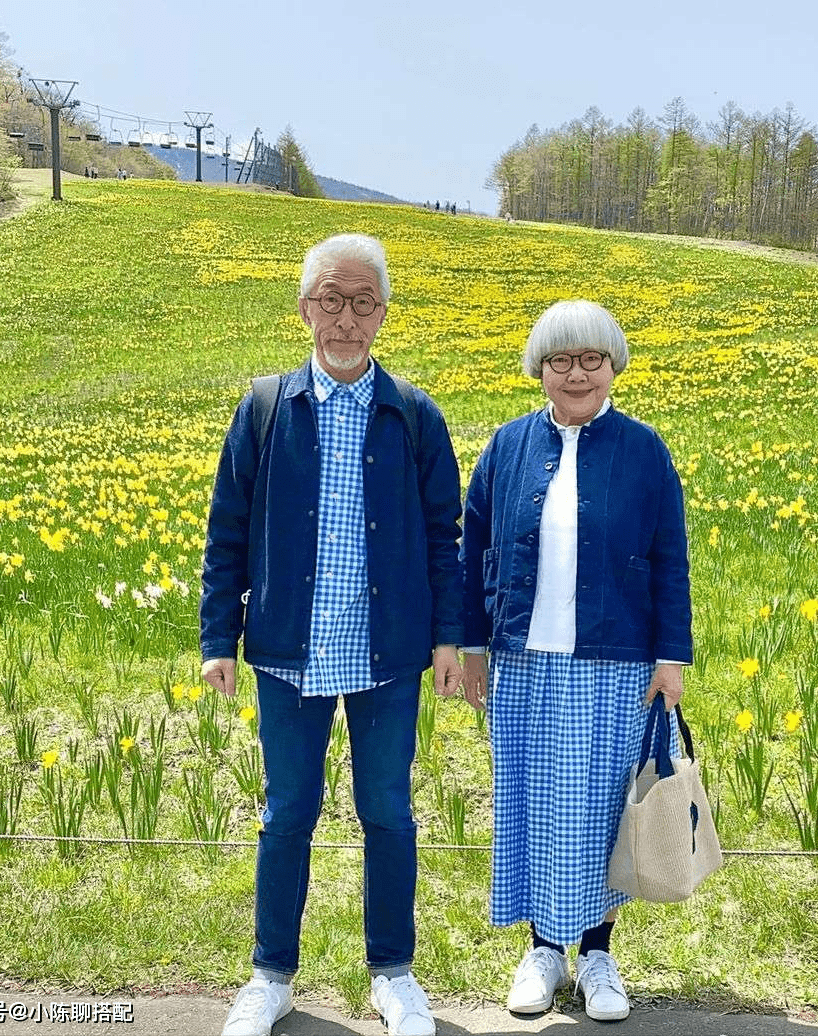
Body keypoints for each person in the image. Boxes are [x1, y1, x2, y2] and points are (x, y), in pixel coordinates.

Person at [200, 233, 464, 1036]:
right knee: (288, 814)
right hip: (287, 648)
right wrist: (218, 638)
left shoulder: (413, 415)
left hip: (387, 651)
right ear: (304, 307)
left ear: (383, 313)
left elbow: (443, 537)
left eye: (362, 302)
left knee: (387, 810)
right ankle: (271, 975)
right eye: (330, 300)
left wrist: (448, 639)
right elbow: (227, 532)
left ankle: (394, 974)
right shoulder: (265, 407)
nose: (345, 318)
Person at [459, 300, 692, 1023]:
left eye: (592, 359)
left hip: (614, 660)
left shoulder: (645, 450)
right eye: (560, 360)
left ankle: (596, 955)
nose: (576, 373)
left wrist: (671, 657)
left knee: (598, 810)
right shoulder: (506, 446)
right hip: (522, 661)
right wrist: (470, 646)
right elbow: (471, 555)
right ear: (539, 370)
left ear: (614, 366)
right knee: (532, 805)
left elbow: (669, 560)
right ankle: (542, 953)